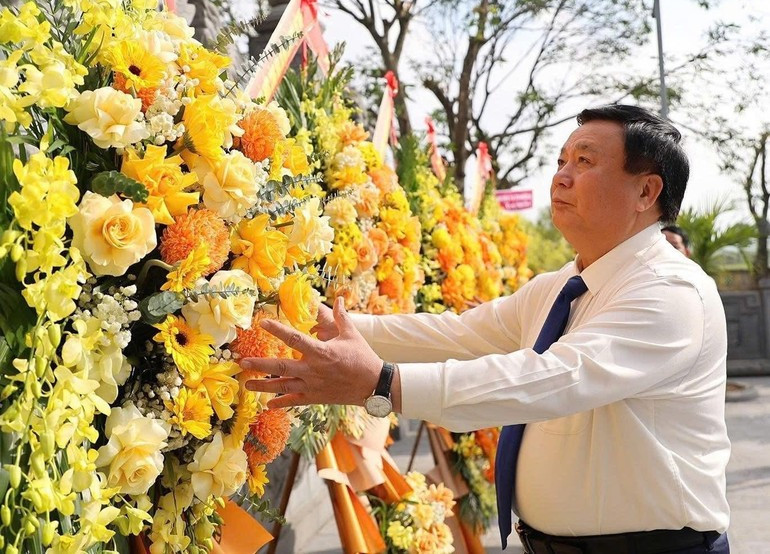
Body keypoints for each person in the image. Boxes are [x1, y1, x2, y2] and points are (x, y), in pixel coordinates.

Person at [244, 105, 731, 554]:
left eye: (585, 161)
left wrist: (382, 385)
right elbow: (456, 334)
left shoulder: (671, 292)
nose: (561, 177)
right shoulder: (561, 284)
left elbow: (547, 379)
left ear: (646, 192)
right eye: (562, 160)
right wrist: (321, 324)